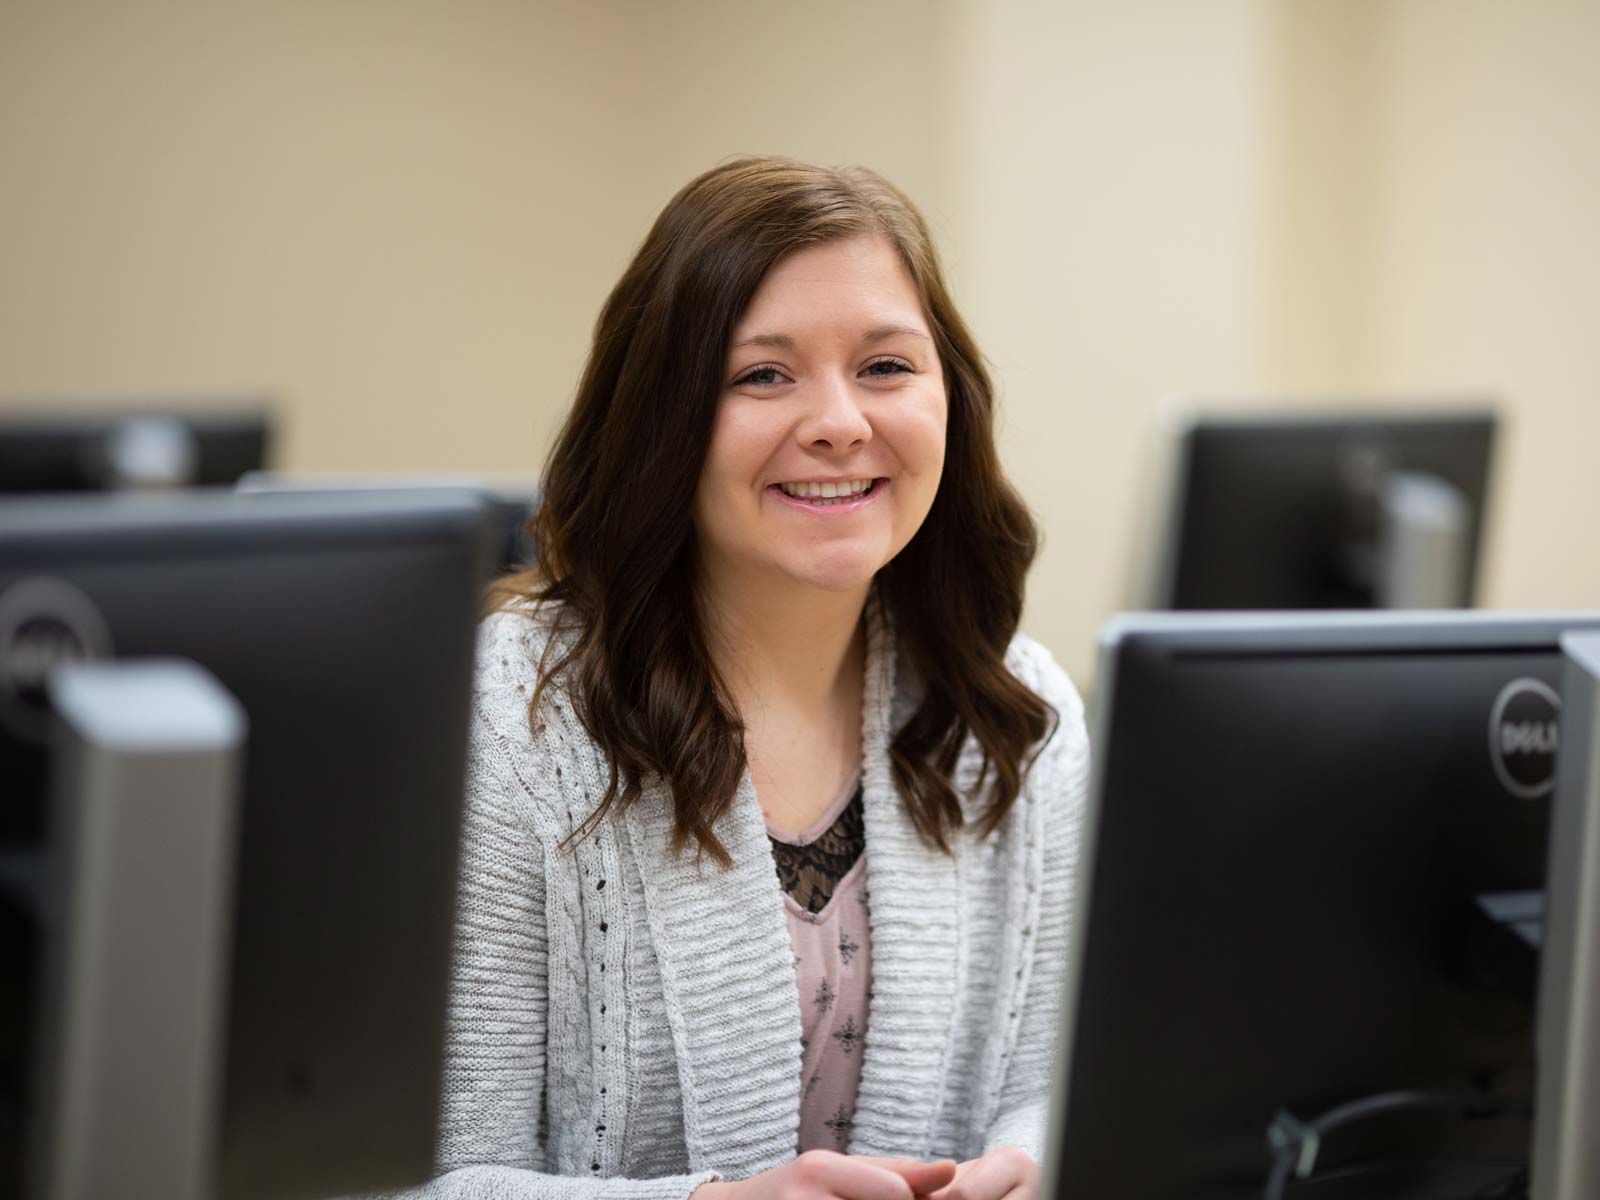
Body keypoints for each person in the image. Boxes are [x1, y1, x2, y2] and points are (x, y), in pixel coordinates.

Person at [419, 157, 1088, 1200]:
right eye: (761, 375)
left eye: (884, 367)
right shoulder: (509, 722)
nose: (837, 422)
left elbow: (1059, 1075)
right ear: (660, 422)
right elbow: (410, 1178)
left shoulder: (1015, 714)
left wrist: (1034, 1165)